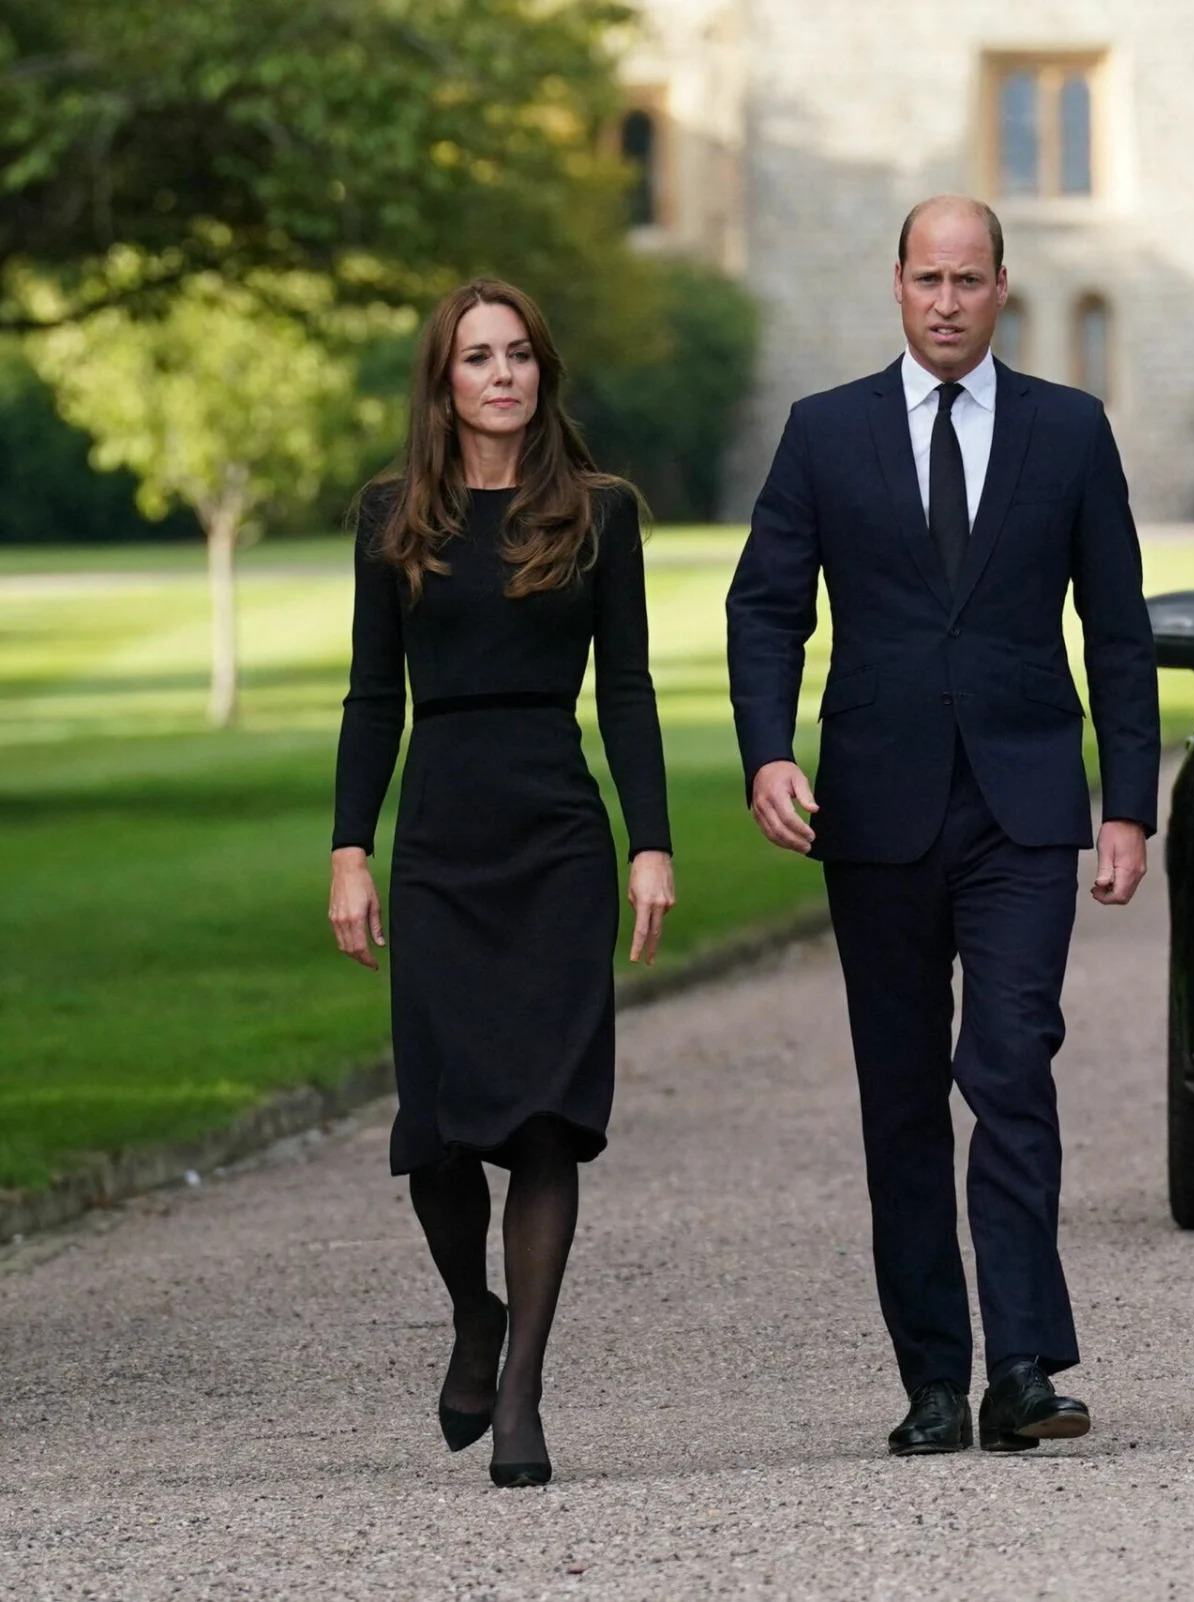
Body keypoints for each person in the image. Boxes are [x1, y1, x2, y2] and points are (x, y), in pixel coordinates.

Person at [725, 196, 1159, 1456]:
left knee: (1011, 1066)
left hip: (1024, 805)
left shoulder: (1070, 431)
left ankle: (1021, 1365)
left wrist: (1125, 802)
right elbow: (767, 612)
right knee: (903, 1095)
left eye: (971, 279)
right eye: (930, 278)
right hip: (876, 806)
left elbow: (1120, 632)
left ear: (1003, 288)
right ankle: (930, 1376)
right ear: (898, 286)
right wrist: (766, 753)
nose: (950, 300)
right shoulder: (823, 435)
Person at [328, 279, 674, 1487]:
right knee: (434, 1135)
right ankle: (474, 1314)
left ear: (543, 373)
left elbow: (626, 690)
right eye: (477, 358)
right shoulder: (391, 517)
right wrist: (348, 851)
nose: (502, 376)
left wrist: (651, 841)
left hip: (556, 842)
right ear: (444, 382)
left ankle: (521, 1385)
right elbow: (373, 696)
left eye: (519, 355)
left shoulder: (597, 515)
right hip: (439, 843)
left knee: (541, 1124)